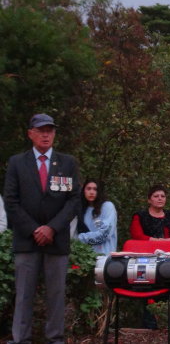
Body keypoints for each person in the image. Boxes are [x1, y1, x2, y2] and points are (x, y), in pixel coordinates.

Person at [3, 113, 81, 344]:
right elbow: (11, 200)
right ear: (30, 134)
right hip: (27, 240)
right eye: (40, 130)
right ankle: (21, 339)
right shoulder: (17, 162)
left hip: (56, 240)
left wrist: (52, 228)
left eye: (50, 130)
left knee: (56, 294)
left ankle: (55, 338)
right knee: (24, 294)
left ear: (55, 134)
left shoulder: (67, 162)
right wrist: (35, 229)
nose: (46, 134)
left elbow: (74, 200)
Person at [76, 179, 117, 255]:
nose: (91, 192)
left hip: (104, 255)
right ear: (83, 191)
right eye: (88, 189)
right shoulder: (82, 209)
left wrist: (79, 238)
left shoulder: (107, 206)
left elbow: (105, 234)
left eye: (95, 189)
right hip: (84, 255)